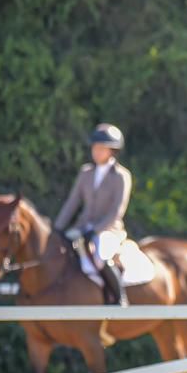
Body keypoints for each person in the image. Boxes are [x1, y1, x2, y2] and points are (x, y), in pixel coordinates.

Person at [54, 123, 134, 305]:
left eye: (100, 148)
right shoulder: (86, 173)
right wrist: (57, 229)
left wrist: (96, 230)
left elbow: (117, 210)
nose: (95, 152)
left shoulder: (121, 176)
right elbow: (71, 204)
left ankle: (119, 297)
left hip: (108, 230)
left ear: (111, 150)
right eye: (94, 148)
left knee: (102, 255)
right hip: (82, 227)